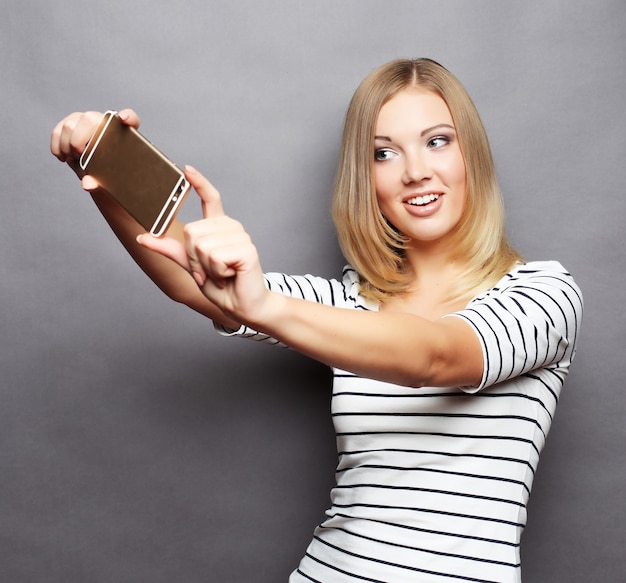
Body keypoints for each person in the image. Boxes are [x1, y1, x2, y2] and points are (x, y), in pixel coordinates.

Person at [51, 58, 583, 583]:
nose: (416, 170)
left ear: (473, 154)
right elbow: (187, 280)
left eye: (437, 141)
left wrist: (261, 304)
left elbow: (436, 355)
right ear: (366, 178)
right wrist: (99, 165)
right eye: (384, 153)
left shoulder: (544, 295)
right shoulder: (345, 304)